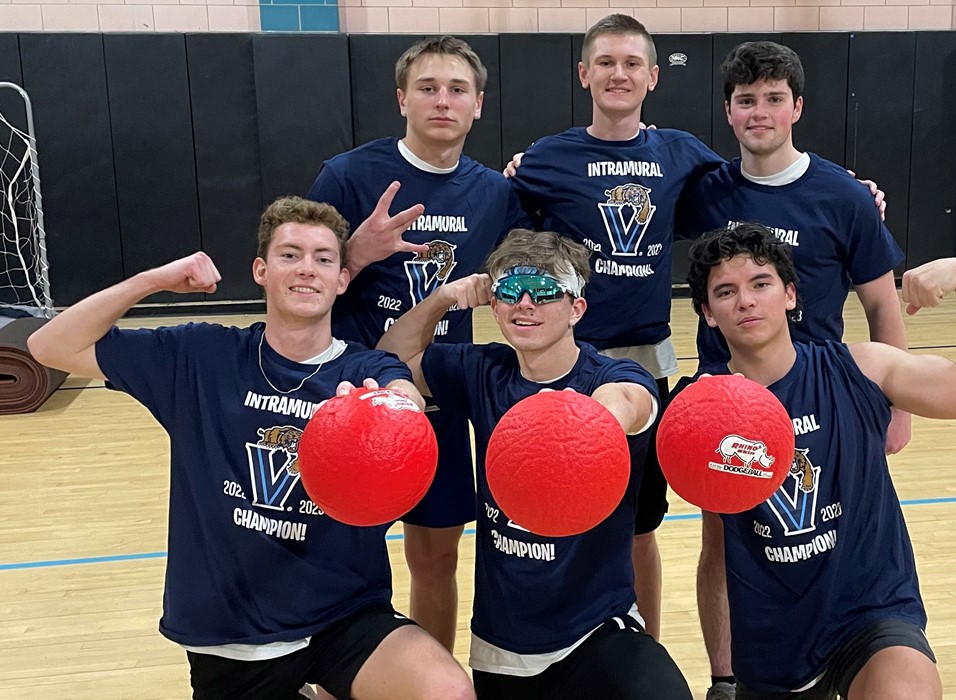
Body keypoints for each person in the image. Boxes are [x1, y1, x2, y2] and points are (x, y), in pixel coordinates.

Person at [27, 197, 474, 700]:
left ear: (342, 279)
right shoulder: (201, 355)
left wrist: (391, 410)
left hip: (344, 613)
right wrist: (151, 281)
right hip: (233, 630)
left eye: (323, 258)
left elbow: (403, 394)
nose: (307, 269)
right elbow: (48, 346)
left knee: (447, 691)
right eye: (290, 255)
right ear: (261, 270)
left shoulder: (363, 368)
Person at [685, 223, 956, 699]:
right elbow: (715, 552)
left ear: (790, 295)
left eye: (761, 284)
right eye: (726, 292)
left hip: (870, 616)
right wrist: (723, 678)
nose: (745, 301)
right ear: (708, 313)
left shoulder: (859, 369)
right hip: (773, 645)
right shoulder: (700, 411)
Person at [680, 41, 913, 700]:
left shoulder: (843, 195)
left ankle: (844, 650)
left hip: (826, 399)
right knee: (724, 544)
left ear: (798, 107)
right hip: (729, 403)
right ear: (729, 111)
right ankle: (727, 678)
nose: (760, 112)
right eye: (746, 100)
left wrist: (899, 409)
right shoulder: (706, 191)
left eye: (774, 99)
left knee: (828, 532)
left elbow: (882, 304)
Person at [376, 229, 692, 699]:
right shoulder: (484, 370)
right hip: (503, 649)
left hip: (597, 631)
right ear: (494, 305)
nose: (525, 304)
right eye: (510, 292)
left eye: (543, 292)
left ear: (576, 309)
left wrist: (588, 424)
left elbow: (630, 401)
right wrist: (444, 298)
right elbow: (390, 357)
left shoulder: (612, 375)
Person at [506, 13, 726, 640]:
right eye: (605, 62)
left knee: (637, 527)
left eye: (632, 63)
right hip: (565, 366)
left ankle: (644, 646)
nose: (618, 74)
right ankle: (556, 640)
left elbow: (759, 186)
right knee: (557, 517)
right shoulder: (547, 158)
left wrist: (853, 189)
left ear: (653, 77)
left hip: (646, 368)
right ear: (584, 74)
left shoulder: (679, 151)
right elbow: (506, 221)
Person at [308, 35, 528, 651]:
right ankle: (332, 676)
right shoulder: (347, 175)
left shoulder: (496, 194)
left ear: (478, 104)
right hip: (351, 395)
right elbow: (296, 281)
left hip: (438, 395)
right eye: (428, 88)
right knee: (340, 550)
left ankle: (428, 676)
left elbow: (528, 272)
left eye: (458, 90)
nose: (442, 101)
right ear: (402, 99)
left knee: (435, 557)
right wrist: (355, 253)